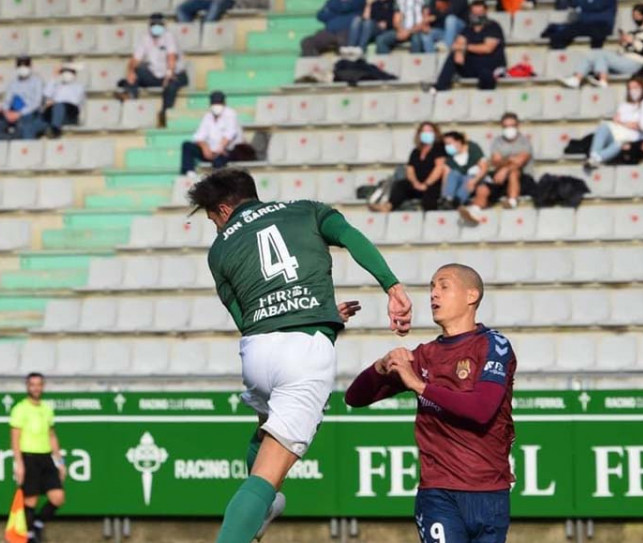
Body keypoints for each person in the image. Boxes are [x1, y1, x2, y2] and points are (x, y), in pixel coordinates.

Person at [188, 169, 412, 543]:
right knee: (265, 477)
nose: (216, 227)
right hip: (304, 349)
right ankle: (255, 510)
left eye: (213, 219)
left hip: (257, 353)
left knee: (265, 430)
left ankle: (263, 507)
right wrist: (392, 286)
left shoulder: (220, 249)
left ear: (224, 209)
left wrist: (315, 317)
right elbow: (352, 238)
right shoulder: (307, 209)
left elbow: (244, 319)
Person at [346, 264, 516, 543]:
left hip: (489, 491)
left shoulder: (493, 345)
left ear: (471, 295)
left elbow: (482, 409)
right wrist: (381, 365)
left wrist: (420, 386)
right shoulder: (425, 356)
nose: (434, 294)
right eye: (431, 287)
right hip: (438, 493)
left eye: (443, 286)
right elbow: (355, 397)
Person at [10, 373, 65, 543]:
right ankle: (31, 535)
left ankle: (39, 524)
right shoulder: (20, 409)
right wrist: (19, 463)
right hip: (29, 457)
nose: (35, 388)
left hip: (46, 457)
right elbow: (15, 437)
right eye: (32, 384)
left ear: (43, 386)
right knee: (31, 500)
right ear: (28, 386)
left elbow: (52, 435)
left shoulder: (46, 409)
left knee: (58, 497)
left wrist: (60, 461)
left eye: (38, 384)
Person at [116, 13, 189, 128]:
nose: (156, 27)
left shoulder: (169, 36)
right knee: (137, 71)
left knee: (171, 85)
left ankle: (165, 114)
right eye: (153, 24)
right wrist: (130, 72)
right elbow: (135, 59)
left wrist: (169, 73)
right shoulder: (145, 38)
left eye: (158, 24)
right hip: (156, 74)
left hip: (175, 73)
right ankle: (131, 99)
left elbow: (172, 57)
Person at [559, 4, 643, 89]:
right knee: (594, 53)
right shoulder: (632, 33)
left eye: (638, 15)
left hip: (636, 63)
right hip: (624, 60)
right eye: (634, 15)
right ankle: (578, 78)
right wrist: (623, 43)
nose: (636, 18)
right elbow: (621, 52)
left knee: (601, 54)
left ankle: (601, 79)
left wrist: (633, 41)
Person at [429, 1, 506, 92]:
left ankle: (485, 100)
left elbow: (487, 48)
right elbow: (457, 44)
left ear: (485, 12)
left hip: (491, 65)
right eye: (474, 13)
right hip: (473, 65)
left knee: (486, 74)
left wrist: (464, 48)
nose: (477, 16)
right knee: (453, 56)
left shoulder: (493, 27)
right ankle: (439, 87)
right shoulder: (468, 28)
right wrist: (458, 52)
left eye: (479, 13)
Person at [371, 122, 447, 212]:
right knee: (401, 185)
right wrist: (415, 183)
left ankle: (430, 218)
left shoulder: (439, 148)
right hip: (417, 184)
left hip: (433, 184)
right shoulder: (416, 151)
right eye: (424, 131)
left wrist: (426, 184)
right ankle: (387, 207)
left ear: (435, 133)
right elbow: (410, 169)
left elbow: (439, 168)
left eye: (429, 131)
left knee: (430, 195)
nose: (426, 134)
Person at [586, 76, 643, 167]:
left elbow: (641, 126)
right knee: (604, 126)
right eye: (630, 88)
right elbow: (616, 120)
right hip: (618, 133)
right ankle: (594, 156)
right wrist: (626, 124)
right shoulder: (624, 105)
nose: (633, 91)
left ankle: (595, 158)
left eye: (635, 88)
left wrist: (623, 123)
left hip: (633, 138)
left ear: (642, 88)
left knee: (619, 144)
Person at [180, 91, 244, 175]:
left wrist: (219, 149)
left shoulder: (230, 114)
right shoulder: (208, 116)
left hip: (227, 151)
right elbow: (198, 136)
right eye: (214, 103)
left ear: (224, 103)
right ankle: (189, 174)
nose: (216, 106)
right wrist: (204, 147)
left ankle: (218, 183)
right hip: (210, 152)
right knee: (187, 146)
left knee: (219, 161)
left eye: (219, 103)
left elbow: (230, 135)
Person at [0, 56, 47, 140]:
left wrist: (19, 114)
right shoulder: (13, 83)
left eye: (25, 65)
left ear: (30, 66)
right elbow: (7, 101)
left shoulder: (37, 81)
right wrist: (7, 112)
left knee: (25, 127)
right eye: (20, 65)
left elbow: (37, 103)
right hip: (13, 112)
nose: (22, 68)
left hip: (30, 113)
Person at [487, 113, 535, 210]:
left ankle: (512, 202)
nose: (509, 129)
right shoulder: (497, 141)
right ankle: (475, 209)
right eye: (506, 126)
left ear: (518, 126)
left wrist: (505, 168)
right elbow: (495, 161)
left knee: (514, 172)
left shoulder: (524, 142)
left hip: (523, 179)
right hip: (501, 178)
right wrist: (510, 160)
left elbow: (520, 162)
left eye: (512, 126)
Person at [542, 0, 618, 50]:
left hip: (601, 26)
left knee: (597, 35)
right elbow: (563, 5)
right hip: (583, 25)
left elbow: (605, 16)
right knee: (558, 35)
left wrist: (581, 15)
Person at [441, 131, 488, 210]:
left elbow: (484, 168)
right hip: (458, 180)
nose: (447, 146)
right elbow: (446, 175)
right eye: (445, 144)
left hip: (474, 178)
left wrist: (474, 181)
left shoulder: (472, 148)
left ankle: (458, 201)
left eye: (449, 143)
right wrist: (443, 193)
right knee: (453, 174)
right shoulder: (449, 156)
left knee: (468, 179)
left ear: (458, 142)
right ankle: (448, 199)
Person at [301, 0, 366, 56]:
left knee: (343, 45)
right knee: (307, 42)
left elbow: (346, 8)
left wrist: (333, 11)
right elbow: (320, 16)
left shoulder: (359, 3)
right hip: (329, 32)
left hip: (348, 34)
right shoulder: (332, 3)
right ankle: (315, 63)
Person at [42, 62, 86, 138]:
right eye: (64, 72)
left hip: (70, 113)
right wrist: (54, 77)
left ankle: (55, 130)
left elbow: (74, 101)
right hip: (55, 112)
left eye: (70, 72)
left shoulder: (79, 87)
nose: (67, 74)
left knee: (59, 106)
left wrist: (55, 102)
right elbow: (46, 94)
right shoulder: (57, 85)